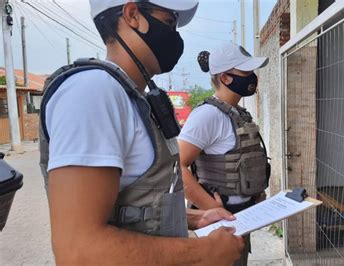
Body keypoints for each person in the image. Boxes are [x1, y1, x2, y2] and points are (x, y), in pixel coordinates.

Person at [38, 1, 244, 264]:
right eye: (169, 23)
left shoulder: (130, 97)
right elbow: (79, 251)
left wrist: (194, 218)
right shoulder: (93, 92)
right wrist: (203, 253)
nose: (175, 36)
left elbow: (132, 208)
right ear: (133, 14)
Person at [178, 43, 271, 266]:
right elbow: (178, 168)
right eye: (245, 72)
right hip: (217, 223)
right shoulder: (207, 116)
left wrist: (254, 194)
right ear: (225, 78)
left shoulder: (240, 113)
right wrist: (213, 209)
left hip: (241, 218)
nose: (252, 77)